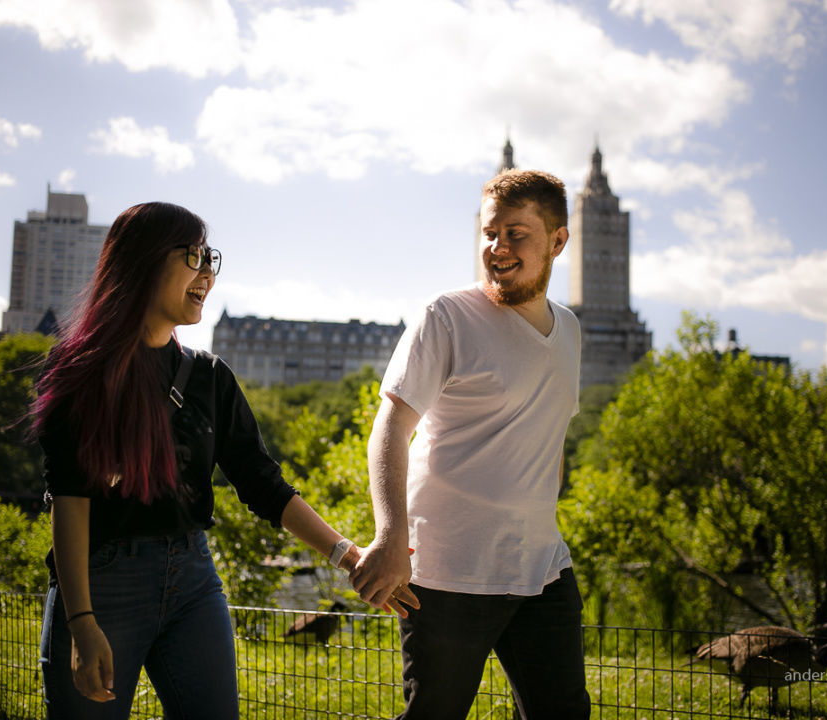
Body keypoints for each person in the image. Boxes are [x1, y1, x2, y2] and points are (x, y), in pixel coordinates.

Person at [29, 202, 416, 719]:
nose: (207, 273)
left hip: (192, 580)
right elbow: (70, 500)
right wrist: (81, 620)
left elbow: (262, 483)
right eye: (193, 256)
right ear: (143, 261)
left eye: (211, 258)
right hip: (102, 582)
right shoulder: (78, 370)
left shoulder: (210, 377)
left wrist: (349, 556)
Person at [350, 170, 590, 719]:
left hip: (542, 571)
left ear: (558, 241)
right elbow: (390, 427)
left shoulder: (571, 331)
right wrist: (391, 534)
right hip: (447, 575)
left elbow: (551, 440)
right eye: (488, 234)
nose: (497, 248)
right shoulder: (448, 315)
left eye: (516, 233)